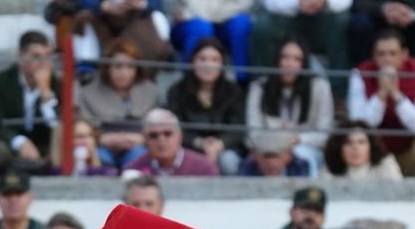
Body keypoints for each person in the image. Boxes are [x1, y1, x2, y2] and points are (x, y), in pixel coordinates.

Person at [347, 27, 415, 175]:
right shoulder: (360, 74)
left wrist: (396, 95)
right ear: (373, 56)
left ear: (404, 54)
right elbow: (359, 125)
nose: (387, 59)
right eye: (381, 54)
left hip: (408, 151)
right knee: (354, 142)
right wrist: (381, 95)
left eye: (393, 54)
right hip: (373, 153)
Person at [251, 0, 358, 82]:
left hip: (326, 18)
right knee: (263, 26)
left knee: (344, 22)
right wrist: (299, 0)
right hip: (290, 16)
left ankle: (338, 93)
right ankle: (261, 86)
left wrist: (325, 0)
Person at [245, 36, 334, 171]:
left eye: (296, 59)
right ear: (277, 61)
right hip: (267, 149)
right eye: (285, 57)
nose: (289, 64)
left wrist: (297, 140)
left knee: (302, 155)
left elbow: (324, 133)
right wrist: (277, 144)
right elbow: (253, 133)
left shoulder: (320, 87)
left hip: (305, 147)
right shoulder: (258, 88)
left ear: (304, 63)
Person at [166, 36, 246, 174]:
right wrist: (200, 143)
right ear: (193, 62)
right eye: (202, 59)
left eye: (214, 60)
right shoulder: (176, 91)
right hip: (188, 147)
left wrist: (219, 145)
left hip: (225, 148)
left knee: (229, 161)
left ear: (222, 65)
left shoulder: (233, 91)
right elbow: (175, 127)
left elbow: (238, 128)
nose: (208, 64)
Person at [76, 37, 162, 166]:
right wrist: (101, 138)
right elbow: (83, 126)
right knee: (98, 157)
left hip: (139, 145)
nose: (124, 73)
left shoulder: (151, 91)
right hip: (102, 145)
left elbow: (158, 125)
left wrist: (143, 138)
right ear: (107, 68)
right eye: (118, 66)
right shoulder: (87, 93)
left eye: (130, 66)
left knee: (139, 157)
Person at [74, 0, 171, 66]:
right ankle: (87, 67)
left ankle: (148, 67)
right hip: (103, 13)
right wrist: (105, 5)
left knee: (158, 18)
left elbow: (156, 0)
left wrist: (140, 4)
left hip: (136, 14)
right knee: (84, 17)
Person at [0, 30, 59, 163]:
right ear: (20, 57)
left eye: (48, 56)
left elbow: (58, 126)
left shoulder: (57, 83)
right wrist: (19, 141)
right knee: (1, 147)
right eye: (36, 56)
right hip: (12, 143)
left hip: (46, 145)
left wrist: (46, 93)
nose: (44, 62)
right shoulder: (1, 81)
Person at [243, 184, 368, 229]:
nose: (311, 215)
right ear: (292, 212)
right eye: (305, 209)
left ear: (324, 216)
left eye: (317, 211)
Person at [174, 0, 255, 72]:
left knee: (241, 23)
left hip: (226, 24)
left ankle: (242, 80)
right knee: (201, 27)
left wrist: (206, 11)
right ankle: (190, 80)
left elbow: (244, 5)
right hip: (194, 26)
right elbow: (200, 12)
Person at [122, 108, 221, 176]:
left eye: (167, 133)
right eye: (153, 135)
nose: (161, 140)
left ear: (180, 136)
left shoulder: (204, 168)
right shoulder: (133, 170)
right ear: (145, 139)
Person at [322, 119, 402, 179]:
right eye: (348, 142)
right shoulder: (330, 167)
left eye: (361, 142)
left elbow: (398, 195)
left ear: (371, 146)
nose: (355, 148)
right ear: (338, 147)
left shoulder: (386, 164)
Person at [238, 128, 314, 177]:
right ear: (256, 156)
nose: (271, 163)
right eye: (266, 156)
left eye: (276, 156)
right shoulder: (247, 167)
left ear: (289, 156)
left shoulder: (300, 166)